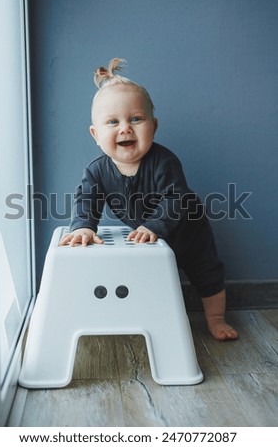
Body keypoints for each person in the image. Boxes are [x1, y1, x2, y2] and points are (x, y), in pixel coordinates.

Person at [60, 58, 238, 341]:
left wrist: (154, 225)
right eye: (112, 122)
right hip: (146, 235)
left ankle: (215, 319)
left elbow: (175, 199)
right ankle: (147, 318)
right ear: (96, 134)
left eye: (135, 119)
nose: (125, 128)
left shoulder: (164, 162)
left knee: (206, 271)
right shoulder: (96, 170)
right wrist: (83, 226)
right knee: (146, 274)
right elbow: (86, 201)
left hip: (187, 230)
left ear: (153, 126)